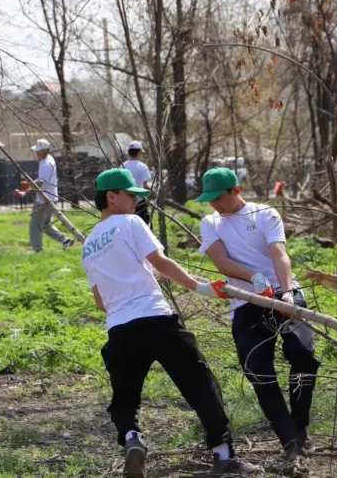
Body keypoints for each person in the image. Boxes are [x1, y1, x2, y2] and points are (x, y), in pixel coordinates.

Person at [82, 168, 259, 478]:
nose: (135, 202)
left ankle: (131, 438)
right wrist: (200, 287)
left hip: (119, 329)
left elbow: (100, 301)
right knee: (200, 383)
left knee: (124, 397)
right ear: (111, 197)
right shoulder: (131, 223)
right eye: (130, 195)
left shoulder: (88, 245)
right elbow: (160, 262)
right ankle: (223, 456)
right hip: (154, 318)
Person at [197, 167, 321, 463]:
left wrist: (287, 292)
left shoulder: (265, 214)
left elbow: (279, 253)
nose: (214, 204)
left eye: (218, 198)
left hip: (281, 291)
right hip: (246, 301)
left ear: (236, 191)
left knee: (303, 354)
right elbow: (221, 261)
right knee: (257, 367)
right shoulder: (210, 223)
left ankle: (300, 428)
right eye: (209, 199)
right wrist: (252, 277)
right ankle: (289, 440)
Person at [17, 138, 74, 252]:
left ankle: (37, 250)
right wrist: (28, 185)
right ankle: (65, 240)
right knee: (46, 225)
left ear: (44, 150)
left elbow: (40, 184)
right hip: (51, 197)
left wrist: (26, 189)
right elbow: (41, 180)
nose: (36, 153)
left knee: (35, 225)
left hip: (44, 199)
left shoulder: (45, 164)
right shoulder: (49, 159)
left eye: (38, 151)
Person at [121, 140, 153, 227]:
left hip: (125, 203)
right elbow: (145, 185)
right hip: (140, 203)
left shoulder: (122, 166)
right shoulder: (142, 167)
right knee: (145, 227)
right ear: (139, 152)